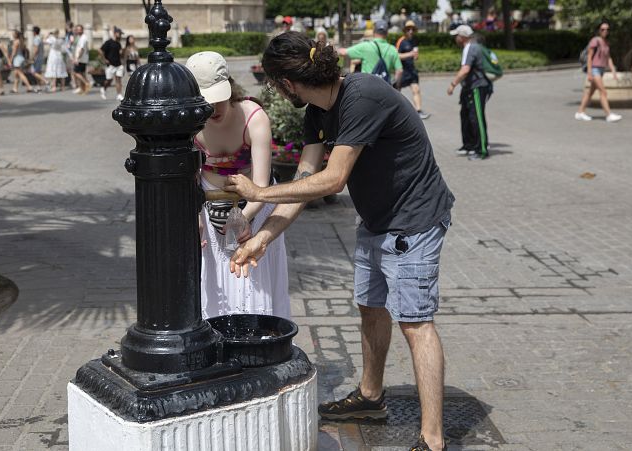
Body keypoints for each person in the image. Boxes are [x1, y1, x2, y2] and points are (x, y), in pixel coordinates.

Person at [224, 31, 453, 451]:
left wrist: (258, 194)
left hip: (415, 220)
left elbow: (334, 178)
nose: (276, 90)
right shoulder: (317, 110)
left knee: (416, 323)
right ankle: (370, 398)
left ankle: (433, 439)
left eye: (275, 84)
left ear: (286, 84)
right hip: (377, 219)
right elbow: (307, 181)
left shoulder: (362, 95)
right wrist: (263, 239)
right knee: (370, 307)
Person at [184, 51, 290, 320]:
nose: (214, 109)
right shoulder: (188, 122)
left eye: (219, 99)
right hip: (208, 206)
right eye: (206, 102)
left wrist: (243, 218)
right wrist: (195, 215)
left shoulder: (254, 118)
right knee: (214, 278)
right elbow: (190, 176)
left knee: (251, 277)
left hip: (254, 206)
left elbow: (262, 187)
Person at [447, 25, 492, 161]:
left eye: (456, 36)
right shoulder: (469, 47)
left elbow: (465, 69)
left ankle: (481, 149)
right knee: (466, 116)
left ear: (463, 37)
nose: (455, 38)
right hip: (469, 88)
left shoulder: (471, 48)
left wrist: (453, 84)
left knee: (476, 118)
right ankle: (469, 145)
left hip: (477, 87)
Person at [575, 20, 621, 123]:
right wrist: (589, 72)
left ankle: (580, 112)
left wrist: (613, 71)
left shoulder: (606, 42)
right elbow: (590, 57)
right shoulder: (595, 40)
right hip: (595, 69)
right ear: (599, 30)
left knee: (590, 92)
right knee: (603, 92)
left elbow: (608, 57)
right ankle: (609, 115)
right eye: (603, 29)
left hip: (601, 70)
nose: (605, 31)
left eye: (607, 29)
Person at [337, 20, 402, 89]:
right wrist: (395, 85)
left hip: (367, 87)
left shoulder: (366, 46)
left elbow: (343, 52)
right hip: (385, 88)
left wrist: (334, 49)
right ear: (387, 33)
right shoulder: (392, 49)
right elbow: (400, 71)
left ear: (374, 32)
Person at [396, 21, 429, 119]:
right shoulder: (401, 41)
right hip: (402, 70)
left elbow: (415, 55)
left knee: (416, 90)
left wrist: (415, 56)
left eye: (412, 29)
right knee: (397, 92)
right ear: (405, 30)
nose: (410, 31)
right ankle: (395, 112)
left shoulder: (414, 41)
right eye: (408, 29)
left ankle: (418, 111)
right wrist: (410, 54)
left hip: (412, 70)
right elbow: (396, 56)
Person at [99, 27, 124, 101]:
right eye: (119, 34)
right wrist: (104, 59)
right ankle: (103, 88)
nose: (120, 35)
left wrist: (122, 54)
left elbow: (120, 54)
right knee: (109, 80)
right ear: (115, 33)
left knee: (118, 80)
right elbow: (100, 50)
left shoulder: (118, 44)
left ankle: (119, 95)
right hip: (110, 64)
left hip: (118, 64)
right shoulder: (108, 42)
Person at [71, 24, 90, 94]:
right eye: (77, 29)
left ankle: (86, 83)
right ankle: (83, 89)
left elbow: (81, 49)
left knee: (76, 73)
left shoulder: (83, 38)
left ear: (82, 30)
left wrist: (77, 59)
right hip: (83, 59)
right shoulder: (81, 37)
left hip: (81, 59)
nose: (78, 31)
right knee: (82, 73)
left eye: (79, 29)